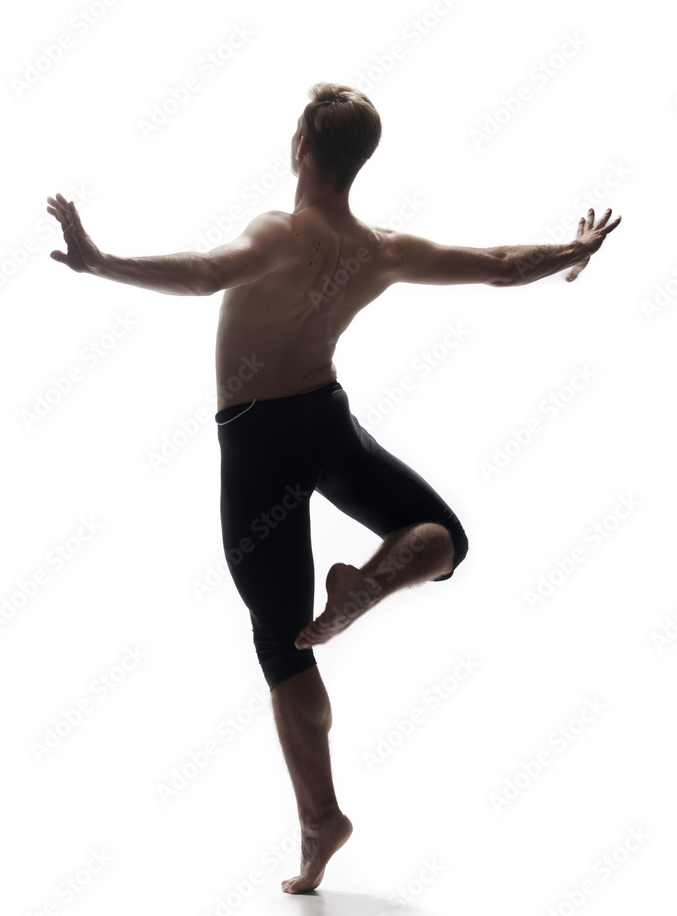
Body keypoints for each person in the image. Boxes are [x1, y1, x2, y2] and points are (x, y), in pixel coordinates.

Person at [46, 82, 622, 894]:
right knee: (443, 537)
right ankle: (372, 585)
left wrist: (102, 262)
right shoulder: (381, 248)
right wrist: (572, 250)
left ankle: (321, 819)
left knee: (283, 644)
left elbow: (208, 275)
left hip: (256, 439)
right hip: (327, 420)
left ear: (300, 150)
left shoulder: (278, 234)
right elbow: (498, 268)